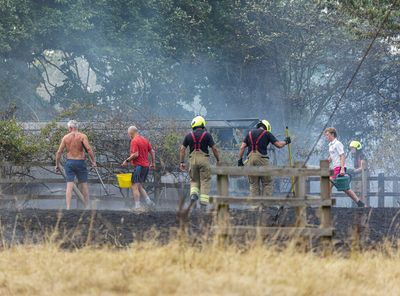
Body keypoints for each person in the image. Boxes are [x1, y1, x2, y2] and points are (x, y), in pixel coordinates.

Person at [238, 120, 291, 197]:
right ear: (266, 127)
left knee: (253, 185)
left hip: (250, 159)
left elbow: (242, 147)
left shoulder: (249, 134)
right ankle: (265, 205)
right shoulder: (267, 133)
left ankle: (254, 206)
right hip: (262, 159)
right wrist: (286, 141)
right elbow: (279, 145)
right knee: (267, 183)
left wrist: (240, 161)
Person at [179, 116, 220, 207]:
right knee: (205, 180)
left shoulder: (188, 135)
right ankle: (203, 202)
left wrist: (182, 162)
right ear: (202, 124)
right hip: (204, 159)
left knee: (194, 180)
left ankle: (193, 196)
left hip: (192, 160)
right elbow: (214, 148)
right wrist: (218, 160)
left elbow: (182, 149)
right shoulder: (207, 135)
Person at [55, 120, 96, 209]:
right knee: (84, 184)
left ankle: (68, 207)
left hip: (70, 162)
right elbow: (88, 149)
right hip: (80, 162)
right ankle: (87, 207)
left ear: (70, 128)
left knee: (69, 185)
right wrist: (93, 161)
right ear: (76, 127)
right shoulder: (82, 136)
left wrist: (57, 164)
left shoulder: (65, 137)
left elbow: (59, 152)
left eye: (68, 128)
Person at [324, 127, 366, 207]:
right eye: (326, 135)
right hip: (334, 168)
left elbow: (342, 156)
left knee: (327, 185)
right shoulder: (330, 145)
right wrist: (327, 161)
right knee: (345, 188)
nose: (326, 137)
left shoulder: (338, 144)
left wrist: (342, 168)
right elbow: (332, 156)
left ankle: (327, 204)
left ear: (332, 134)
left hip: (338, 168)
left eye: (327, 135)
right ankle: (360, 203)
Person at [122, 126, 156, 210]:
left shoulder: (134, 140)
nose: (128, 135)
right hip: (145, 167)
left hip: (139, 167)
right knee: (139, 185)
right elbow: (152, 151)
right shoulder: (145, 139)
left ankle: (137, 206)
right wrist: (153, 162)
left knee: (134, 186)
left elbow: (135, 154)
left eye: (128, 133)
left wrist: (127, 161)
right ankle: (149, 202)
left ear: (131, 133)